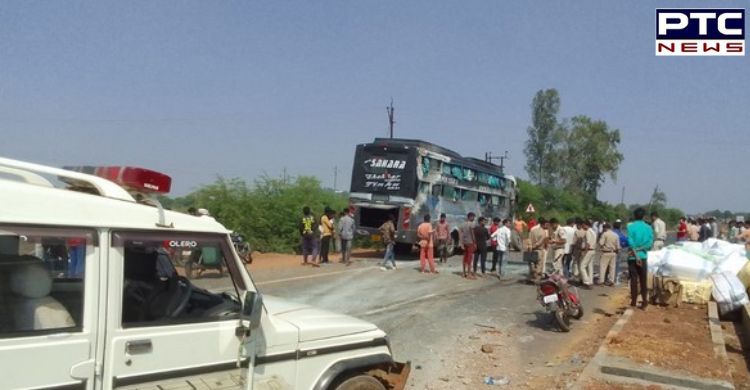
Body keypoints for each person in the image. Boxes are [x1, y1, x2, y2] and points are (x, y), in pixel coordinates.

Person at [627, 208, 654, 310]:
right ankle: (644, 301)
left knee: (633, 279)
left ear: (634, 216)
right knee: (643, 280)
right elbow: (650, 244)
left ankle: (633, 300)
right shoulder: (648, 228)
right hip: (643, 256)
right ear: (643, 216)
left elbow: (630, 241)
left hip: (632, 256)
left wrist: (635, 252)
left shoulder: (630, 227)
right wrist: (640, 251)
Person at [528, 217, 549, 283]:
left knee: (532, 264)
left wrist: (530, 247)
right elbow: (541, 242)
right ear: (543, 224)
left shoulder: (532, 230)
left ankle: (532, 277)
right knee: (539, 265)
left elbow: (529, 239)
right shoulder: (543, 232)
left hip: (531, 250)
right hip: (539, 250)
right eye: (546, 224)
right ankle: (536, 278)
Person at [579, 220, 597, 289]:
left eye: (583, 225)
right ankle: (590, 281)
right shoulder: (593, 232)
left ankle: (586, 282)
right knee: (590, 266)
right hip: (593, 250)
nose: (582, 226)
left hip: (588, 250)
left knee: (582, 266)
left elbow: (588, 243)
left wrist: (584, 252)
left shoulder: (588, 232)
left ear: (586, 225)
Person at [458, 212, 477, 279]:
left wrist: (461, 243)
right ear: (470, 217)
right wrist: (475, 243)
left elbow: (460, 234)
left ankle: (464, 273)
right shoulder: (472, 224)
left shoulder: (462, 224)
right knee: (470, 258)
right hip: (470, 242)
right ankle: (469, 274)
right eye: (473, 217)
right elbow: (473, 234)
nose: (474, 218)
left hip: (465, 243)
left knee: (465, 258)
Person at [612, 220, 629, 285]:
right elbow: (627, 242)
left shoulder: (610, 232)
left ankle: (607, 278)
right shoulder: (620, 234)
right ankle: (615, 279)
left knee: (609, 265)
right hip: (617, 251)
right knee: (616, 265)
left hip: (608, 251)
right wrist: (623, 245)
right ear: (620, 226)